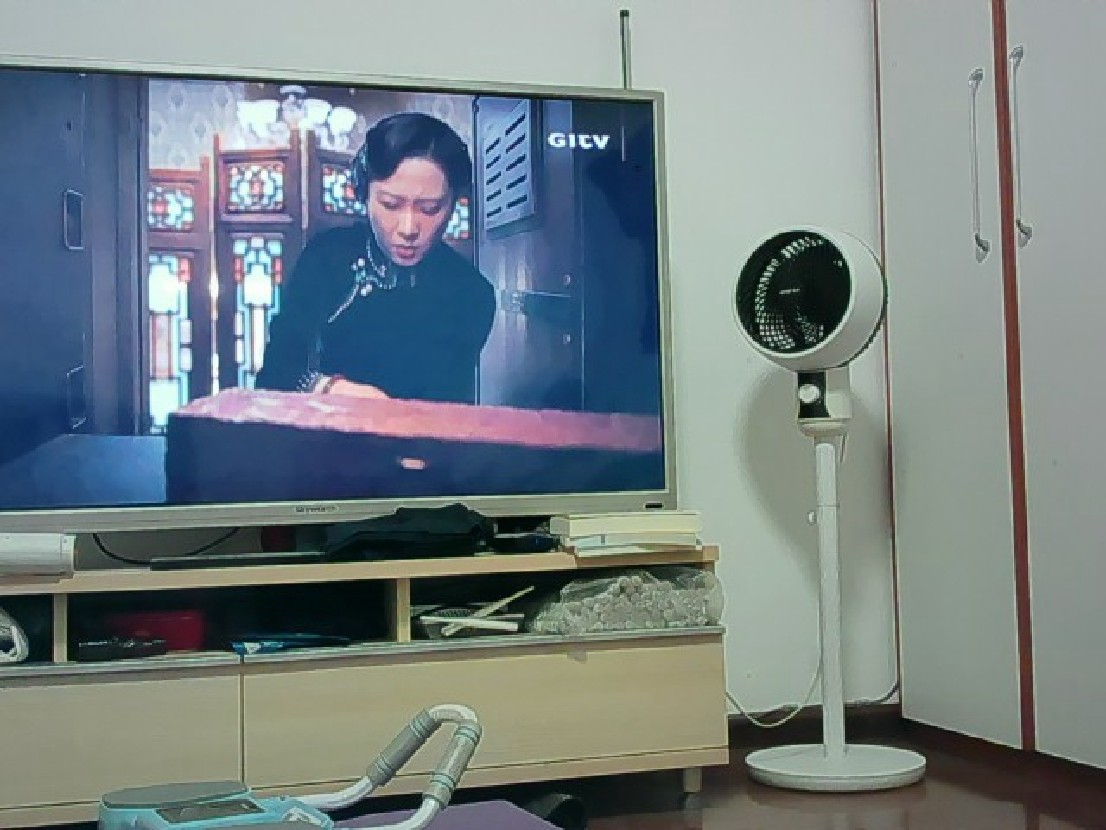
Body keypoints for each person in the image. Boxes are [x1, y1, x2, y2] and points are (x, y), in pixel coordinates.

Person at [254, 112, 496, 404]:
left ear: (454, 203)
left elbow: (448, 405)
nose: (408, 229)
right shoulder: (326, 258)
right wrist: (329, 388)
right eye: (390, 205)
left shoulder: (471, 293)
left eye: (430, 209)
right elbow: (275, 375)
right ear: (363, 194)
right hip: (322, 425)